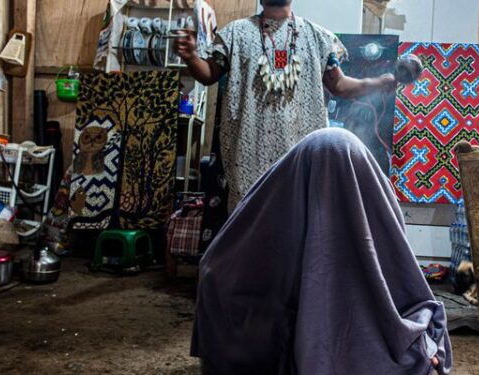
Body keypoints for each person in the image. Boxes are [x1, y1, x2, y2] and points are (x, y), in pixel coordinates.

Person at [192, 128, 452, 374]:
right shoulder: (261, 227)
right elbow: (220, 283)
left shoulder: (367, 199)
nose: (327, 200)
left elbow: (401, 290)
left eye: (343, 180)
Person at [175, 0, 397, 211]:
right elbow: (209, 73)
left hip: (299, 158)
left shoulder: (318, 37)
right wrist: (191, 56)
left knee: (295, 228)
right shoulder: (235, 33)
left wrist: (377, 84)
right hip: (247, 159)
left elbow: (338, 84)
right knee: (249, 233)